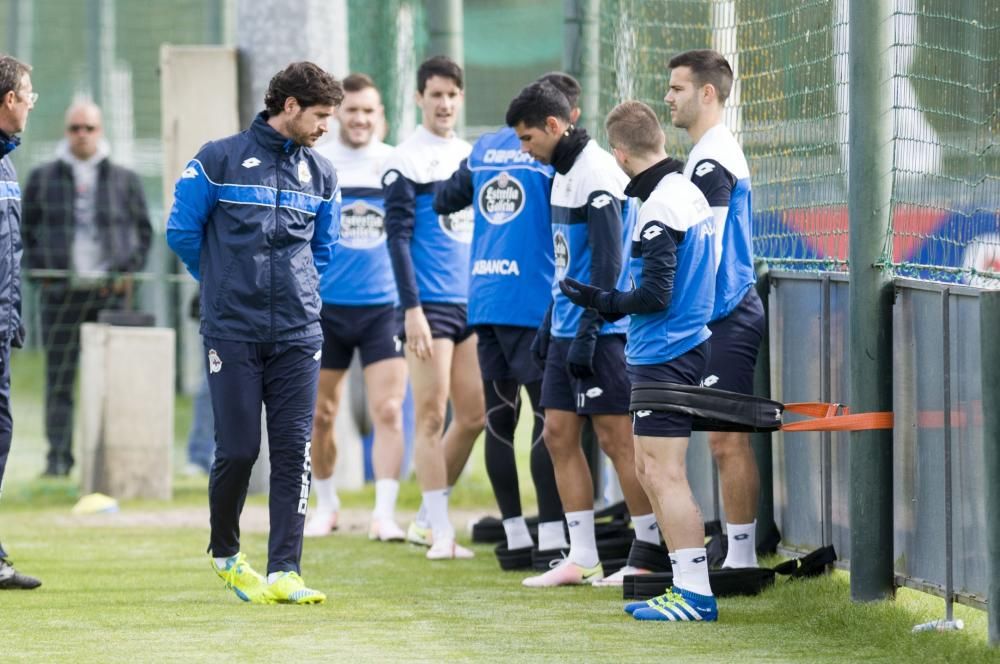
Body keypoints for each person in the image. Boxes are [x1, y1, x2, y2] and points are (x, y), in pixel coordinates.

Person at [166, 61, 342, 604]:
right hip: (232, 331)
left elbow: (324, 250)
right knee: (239, 450)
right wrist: (222, 283)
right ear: (289, 106)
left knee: (294, 451)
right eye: (319, 116)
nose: (324, 127)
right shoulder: (218, 159)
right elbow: (181, 232)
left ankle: (286, 569)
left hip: (298, 333)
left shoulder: (323, 173)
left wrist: (299, 296)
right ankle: (226, 553)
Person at [562, 99, 719, 621]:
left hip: (666, 353)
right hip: (676, 347)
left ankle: (694, 593)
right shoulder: (684, 194)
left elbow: (654, 295)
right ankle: (684, 583)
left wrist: (600, 301)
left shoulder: (661, 206)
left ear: (620, 152)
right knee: (652, 471)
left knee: (663, 473)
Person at [505, 81, 659, 588]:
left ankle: (645, 553)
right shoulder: (560, 172)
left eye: (528, 139)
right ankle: (584, 556)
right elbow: (569, 261)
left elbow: (611, 262)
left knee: (617, 440)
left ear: (555, 126)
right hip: (568, 328)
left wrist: (592, 329)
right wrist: (552, 324)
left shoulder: (597, 172)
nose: (524, 150)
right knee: (557, 434)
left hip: (603, 332)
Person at [431, 74, 579, 567]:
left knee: (498, 419)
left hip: (485, 299)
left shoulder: (484, 148)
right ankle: (554, 541)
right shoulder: (552, 157)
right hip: (532, 300)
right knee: (548, 422)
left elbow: (442, 201)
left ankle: (515, 539)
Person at [382, 55, 485, 560]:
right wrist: (412, 309)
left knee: (475, 414)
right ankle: (441, 532)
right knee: (429, 413)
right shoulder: (406, 159)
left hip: (473, 304)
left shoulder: (473, 156)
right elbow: (397, 240)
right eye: (435, 95)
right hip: (429, 307)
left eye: (452, 95)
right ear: (419, 98)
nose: (444, 104)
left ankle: (427, 519)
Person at [666, 49, 765, 569]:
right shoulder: (706, 153)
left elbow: (712, 248)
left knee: (726, 440)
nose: (669, 97)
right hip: (718, 315)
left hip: (726, 314)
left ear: (708, 93)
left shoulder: (711, 159)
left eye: (678, 88)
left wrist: (694, 314)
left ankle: (743, 561)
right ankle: (734, 551)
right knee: (717, 440)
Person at [22, 100, 152, 477]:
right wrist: (39, 271)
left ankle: (111, 461)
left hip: (108, 293)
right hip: (60, 293)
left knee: (111, 382)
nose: (82, 135)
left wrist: (127, 270)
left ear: (100, 131)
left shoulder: (123, 178)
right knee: (59, 378)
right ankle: (58, 459)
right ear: (67, 131)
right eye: (75, 128)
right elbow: (25, 230)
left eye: (89, 128)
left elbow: (143, 233)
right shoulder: (43, 178)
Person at [304, 73, 407, 542]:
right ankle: (326, 505)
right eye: (352, 110)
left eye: (369, 110)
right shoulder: (317, 163)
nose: (360, 118)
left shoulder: (395, 163)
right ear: (337, 115)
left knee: (388, 409)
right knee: (321, 415)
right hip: (325, 309)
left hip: (383, 308)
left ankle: (384, 513)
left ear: (380, 116)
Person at [0, 54, 40, 590]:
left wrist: (12, 317)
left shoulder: (7, 164)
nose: (32, 103)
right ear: (9, 98)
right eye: (28, 93)